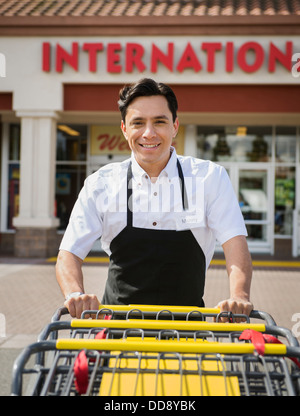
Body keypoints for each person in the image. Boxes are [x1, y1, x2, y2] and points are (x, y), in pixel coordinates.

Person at [56, 78, 253, 320]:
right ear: (124, 129)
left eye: (159, 122)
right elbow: (69, 253)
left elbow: (235, 245)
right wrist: (75, 294)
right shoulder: (102, 184)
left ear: (175, 126)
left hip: (188, 335)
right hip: (117, 332)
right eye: (138, 123)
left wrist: (239, 296)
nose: (149, 133)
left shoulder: (209, 178)